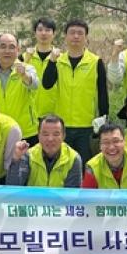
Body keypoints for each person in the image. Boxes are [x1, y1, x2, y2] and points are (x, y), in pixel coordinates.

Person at [42, 19, 109, 163]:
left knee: (84, 165)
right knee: (62, 164)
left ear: (86, 37)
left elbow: (103, 93)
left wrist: (104, 118)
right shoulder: (58, 60)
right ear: (65, 36)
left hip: (86, 126)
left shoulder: (95, 61)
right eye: (72, 33)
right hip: (62, 125)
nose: (76, 36)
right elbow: (47, 84)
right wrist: (52, 62)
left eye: (80, 33)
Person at [0, 33, 39, 145]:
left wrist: (24, 75)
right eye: (3, 46)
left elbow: (34, 85)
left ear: (18, 50)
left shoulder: (27, 69)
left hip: (25, 132)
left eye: (11, 47)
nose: (7, 51)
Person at [6, 114, 83, 187]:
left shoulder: (73, 159)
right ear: (38, 136)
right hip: (33, 197)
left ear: (63, 136)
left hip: (61, 197)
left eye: (56, 134)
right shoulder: (28, 155)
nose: (50, 139)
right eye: (45, 134)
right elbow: (13, 188)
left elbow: (72, 193)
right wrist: (16, 160)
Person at [23, 17, 59, 118]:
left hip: (53, 115)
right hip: (29, 115)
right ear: (34, 33)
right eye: (40, 30)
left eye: (48, 30)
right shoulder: (24, 57)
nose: (43, 33)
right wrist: (25, 62)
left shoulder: (61, 59)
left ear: (54, 34)